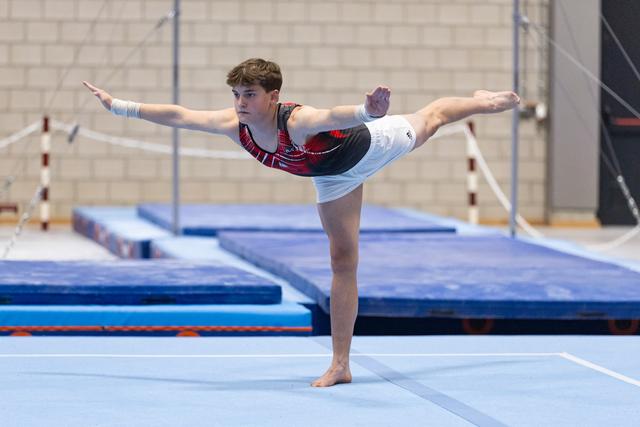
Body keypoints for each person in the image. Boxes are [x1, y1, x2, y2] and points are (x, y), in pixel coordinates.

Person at [83, 58, 519, 387]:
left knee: (432, 119)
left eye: (249, 94)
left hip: (371, 146)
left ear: (273, 96)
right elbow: (179, 115)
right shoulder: (235, 125)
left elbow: (334, 115)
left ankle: (483, 101)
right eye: (236, 94)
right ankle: (341, 365)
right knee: (343, 261)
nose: (240, 103)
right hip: (332, 179)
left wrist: (369, 111)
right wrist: (120, 106)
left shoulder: (299, 121)